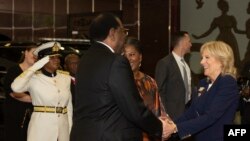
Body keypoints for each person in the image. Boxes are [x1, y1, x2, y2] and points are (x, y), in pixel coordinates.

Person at [70, 13, 170, 141]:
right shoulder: (116, 62)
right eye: (123, 32)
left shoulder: (84, 60)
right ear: (113, 33)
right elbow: (133, 107)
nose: (124, 37)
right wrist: (159, 128)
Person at [166, 41, 240, 141]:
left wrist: (175, 128)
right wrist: (170, 124)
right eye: (202, 58)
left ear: (222, 61)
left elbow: (211, 116)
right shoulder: (203, 83)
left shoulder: (227, 82)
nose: (201, 62)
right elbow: (192, 112)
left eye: (207, 57)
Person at [11, 41, 73, 141]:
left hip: (63, 130)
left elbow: (68, 106)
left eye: (57, 57)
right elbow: (15, 88)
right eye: (52, 57)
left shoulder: (65, 77)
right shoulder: (33, 78)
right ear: (42, 60)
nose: (56, 60)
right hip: (41, 129)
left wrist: (69, 128)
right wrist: (35, 66)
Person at [123, 37, 170, 141]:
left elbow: (158, 111)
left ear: (140, 57)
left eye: (132, 54)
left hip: (149, 136)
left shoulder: (150, 82)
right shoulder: (117, 82)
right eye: (124, 55)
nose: (128, 59)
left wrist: (166, 127)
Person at [192, 0, 245, 69]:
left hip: (230, 39)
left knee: (233, 57)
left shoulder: (231, 18)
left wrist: (246, 32)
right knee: (219, 56)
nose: (226, 7)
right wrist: (199, 37)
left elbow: (236, 30)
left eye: (226, 6)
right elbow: (209, 31)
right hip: (222, 39)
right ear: (221, 7)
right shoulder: (217, 19)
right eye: (224, 6)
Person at [155, 31, 192, 120]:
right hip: (171, 116)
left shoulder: (186, 65)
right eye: (189, 41)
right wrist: (165, 116)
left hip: (187, 114)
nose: (191, 44)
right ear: (182, 43)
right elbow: (159, 92)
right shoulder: (164, 63)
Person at [3, 45, 37, 141]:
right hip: (15, 114)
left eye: (37, 54)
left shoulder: (37, 73)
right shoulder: (13, 70)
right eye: (33, 53)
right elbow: (13, 93)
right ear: (26, 53)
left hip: (33, 115)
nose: (35, 56)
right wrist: (35, 99)